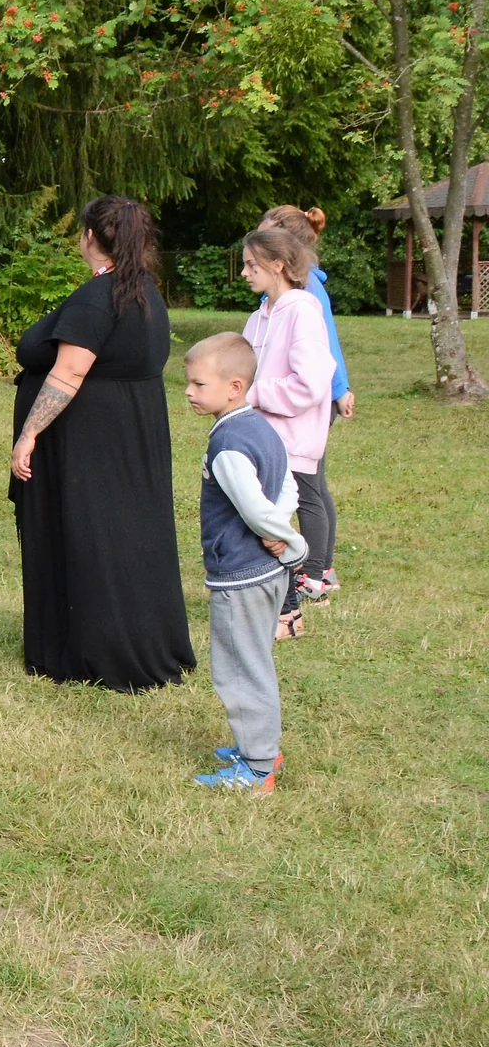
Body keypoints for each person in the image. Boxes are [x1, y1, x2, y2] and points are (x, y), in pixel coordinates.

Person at [10, 194, 194, 690]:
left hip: (92, 437)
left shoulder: (101, 296)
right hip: (131, 427)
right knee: (127, 532)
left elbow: (69, 371)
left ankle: (99, 648)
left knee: (97, 533)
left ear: (90, 236)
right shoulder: (142, 291)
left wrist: (29, 432)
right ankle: (128, 635)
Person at [182, 333, 305, 792]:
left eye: (198, 384)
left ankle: (257, 768)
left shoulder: (229, 444)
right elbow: (287, 484)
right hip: (267, 574)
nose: (189, 392)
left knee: (239, 669)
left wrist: (289, 541)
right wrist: (279, 532)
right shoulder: (258, 427)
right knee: (255, 661)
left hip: (241, 576)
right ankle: (263, 744)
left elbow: (254, 508)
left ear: (234, 387)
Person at [238, 224, 336, 641]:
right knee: (257, 522)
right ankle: (266, 604)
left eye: (251, 264)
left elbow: (312, 383)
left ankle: (288, 614)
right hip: (257, 438)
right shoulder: (259, 317)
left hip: (290, 442)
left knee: (272, 526)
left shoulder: (301, 310)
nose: (244, 272)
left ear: (277, 265)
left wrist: (255, 394)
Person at [257, 205, 350, 603]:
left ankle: (314, 574)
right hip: (311, 399)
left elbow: (324, 346)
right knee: (314, 484)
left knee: (307, 487)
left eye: (264, 236)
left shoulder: (305, 291)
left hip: (309, 403)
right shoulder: (293, 289)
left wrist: (340, 389)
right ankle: (321, 569)